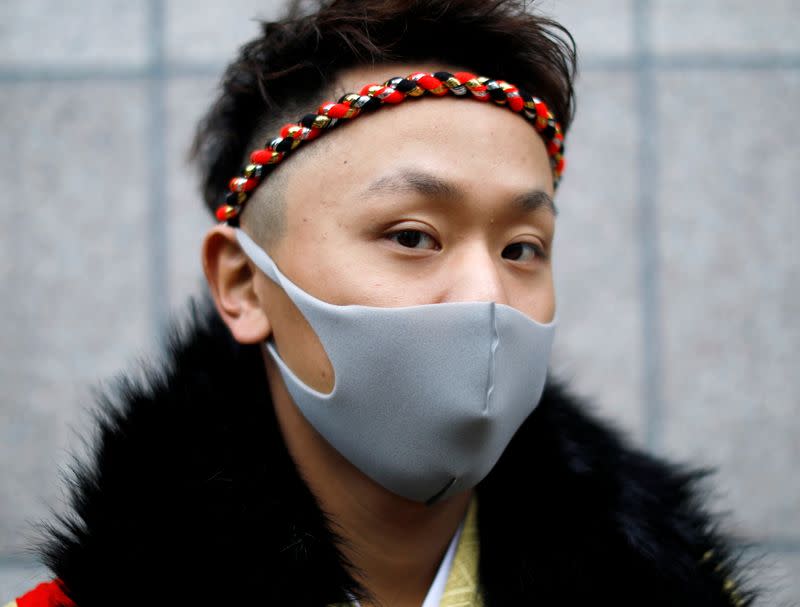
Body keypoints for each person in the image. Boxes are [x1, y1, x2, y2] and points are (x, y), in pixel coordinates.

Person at [5, 1, 758, 606]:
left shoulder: (677, 582)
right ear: (241, 283)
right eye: (411, 235)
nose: (488, 298)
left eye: (523, 247)